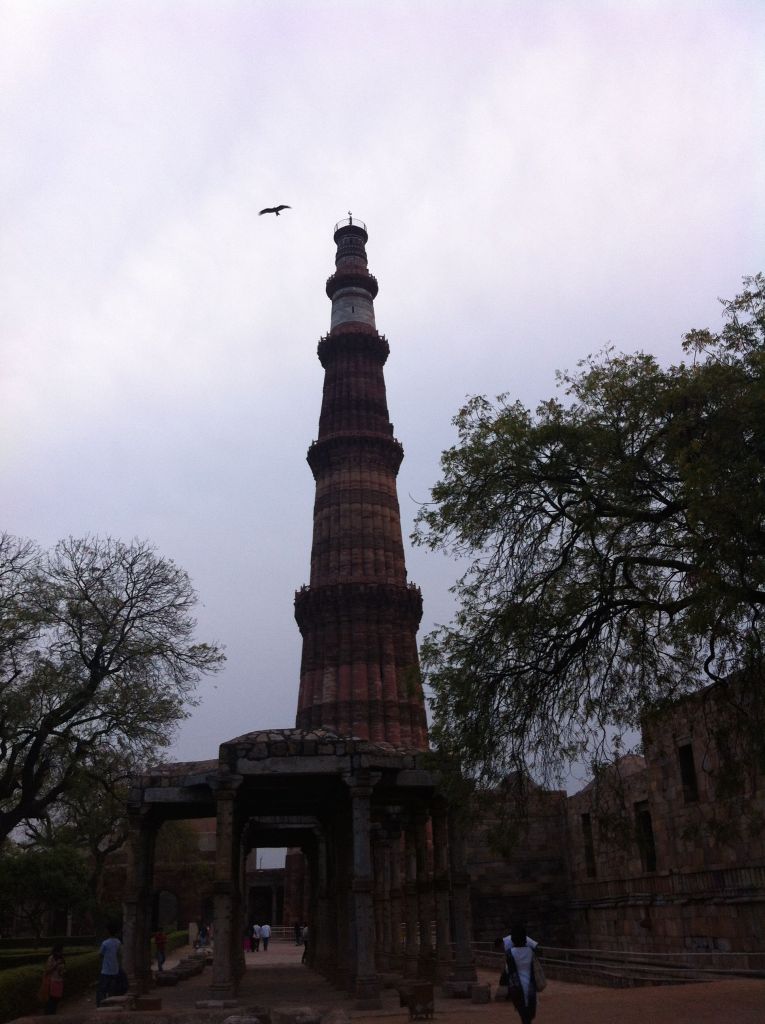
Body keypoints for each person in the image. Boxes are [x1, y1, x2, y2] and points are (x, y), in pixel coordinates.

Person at [503, 925, 540, 1024]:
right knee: (529, 1016)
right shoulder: (530, 952)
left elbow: (508, 971)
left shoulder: (510, 953)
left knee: (523, 1016)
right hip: (530, 986)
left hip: (516, 988)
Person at [96, 926, 122, 1007]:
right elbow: (119, 954)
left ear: (108, 932)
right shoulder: (118, 942)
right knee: (112, 988)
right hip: (115, 969)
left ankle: (102, 1004)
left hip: (106, 970)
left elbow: (100, 954)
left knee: (103, 989)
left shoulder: (105, 943)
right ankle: (111, 1004)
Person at [42, 944, 65, 1014]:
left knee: (56, 999)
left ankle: (53, 1014)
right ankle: (47, 1015)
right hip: (52, 981)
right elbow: (47, 970)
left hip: (59, 981)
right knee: (50, 1000)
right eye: (60, 951)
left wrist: (62, 971)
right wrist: (56, 965)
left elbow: (63, 969)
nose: (61, 953)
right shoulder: (51, 958)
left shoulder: (61, 958)